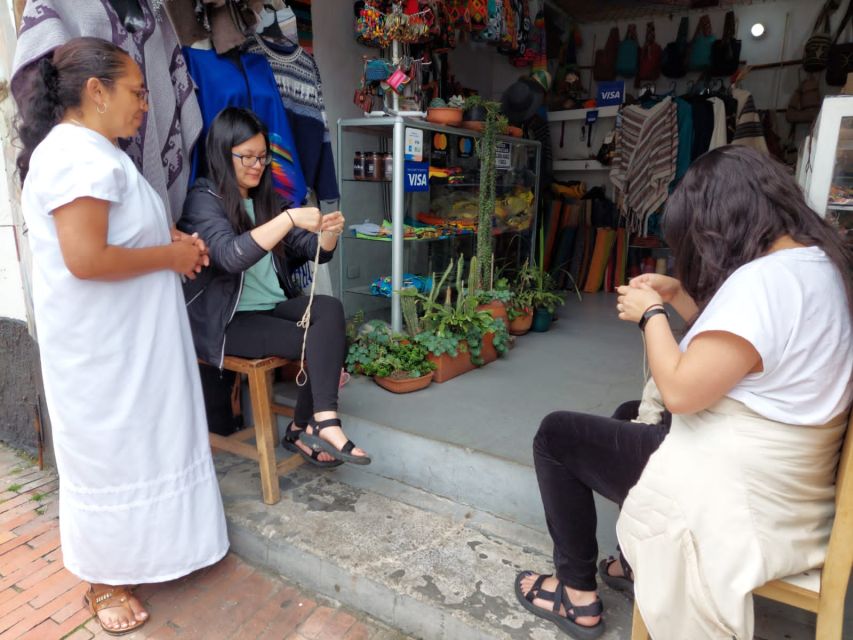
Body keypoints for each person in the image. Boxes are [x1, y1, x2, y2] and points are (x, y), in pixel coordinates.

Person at [515, 145, 853, 640]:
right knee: (628, 414)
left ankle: (576, 595)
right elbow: (742, 356)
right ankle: (638, 565)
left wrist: (652, 315)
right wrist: (678, 296)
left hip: (739, 490)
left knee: (557, 436)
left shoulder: (765, 282)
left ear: (720, 223)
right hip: (785, 470)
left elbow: (679, 391)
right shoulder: (812, 265)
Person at [16, 37, 229, 635]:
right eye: (136, 93)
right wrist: (170, 255)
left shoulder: (96, 152)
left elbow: (124, 242)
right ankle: (102, 577)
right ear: (96, 91)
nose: (144, 105)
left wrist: (176, 251)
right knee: (111, 456)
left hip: (129, 341)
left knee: (142, 447)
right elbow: (86, 258)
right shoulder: (77, 157)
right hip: (102, 351)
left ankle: (148, 553)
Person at [179, 107, 370, 466]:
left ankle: (310, 425)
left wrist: (328, 232)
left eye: (262, 157)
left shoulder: (266, 199)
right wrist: (287, 219)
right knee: (322, 340)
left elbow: (315, 252)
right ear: (222, 153)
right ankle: (312, 426)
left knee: (329, 310)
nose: (256, 165)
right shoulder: (203, 200)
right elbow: (230, 255)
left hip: (271, 306)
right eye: (247, 156)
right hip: (229, 322)